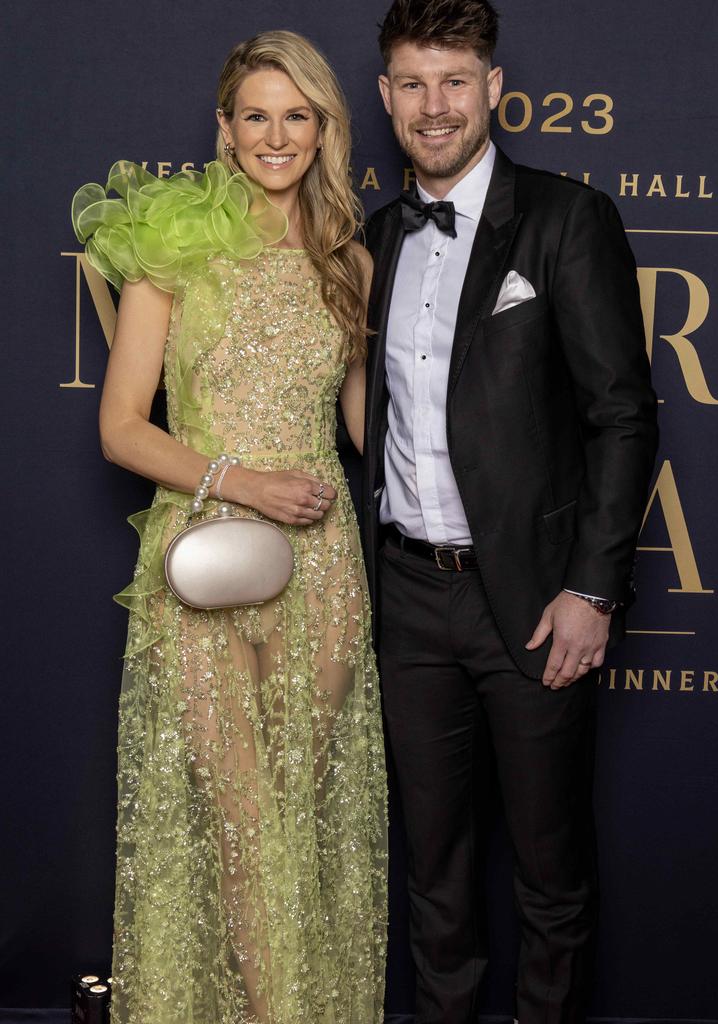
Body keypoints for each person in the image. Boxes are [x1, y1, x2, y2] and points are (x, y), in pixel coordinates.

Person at [72, 31, 386, 1024]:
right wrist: (245, 480)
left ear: (324, 130)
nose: (277, 135)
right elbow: (121, 429)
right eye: (257, 115)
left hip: (324, 564)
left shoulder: (352, 261)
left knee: (293, 814)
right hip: (205, 552)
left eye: (299, 116)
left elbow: (364, 423)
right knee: (245, 822)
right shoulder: (171, 246)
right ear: (224, 127)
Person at [362, 1, 658, 1021]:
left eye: (455, 81)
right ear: (387, 95)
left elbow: (622, 416)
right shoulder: (373, 240)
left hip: (532, 599)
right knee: (434, 873)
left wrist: (591, 587)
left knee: (549, 871)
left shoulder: (566, 217)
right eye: (411, 83)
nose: (433, 106)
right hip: (406, 598)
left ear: (494, 88)